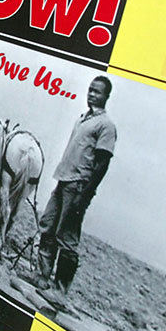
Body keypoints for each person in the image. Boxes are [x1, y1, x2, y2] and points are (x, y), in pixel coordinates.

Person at [32, 75, 117, 306]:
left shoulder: (106, 125)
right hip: (63, 180)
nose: (91, 94)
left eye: (97, 91)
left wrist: (84, 196)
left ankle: (59, 292)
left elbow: (102, 164)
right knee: (48, 226)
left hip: (78, 186)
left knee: (67, 237)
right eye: (90, 89)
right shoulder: (82, 120)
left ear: (106, 96)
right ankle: (42, 277)